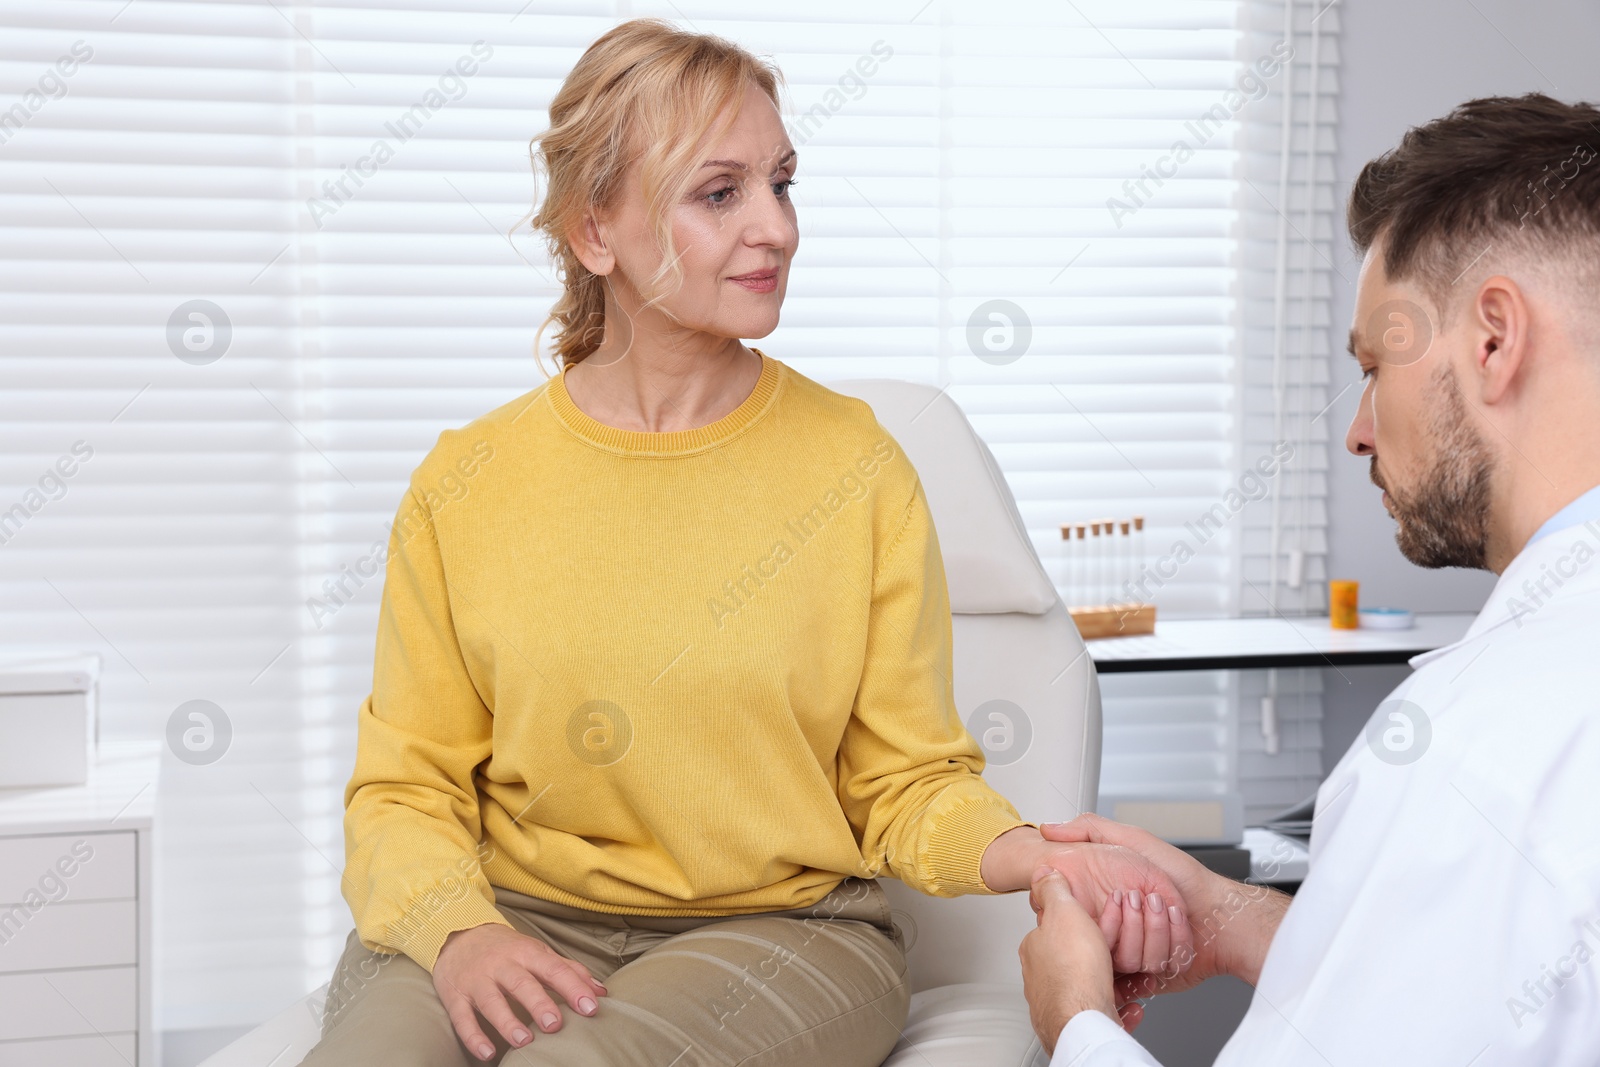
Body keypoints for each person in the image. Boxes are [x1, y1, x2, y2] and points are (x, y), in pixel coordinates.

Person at [301, 19, 1188, 1067]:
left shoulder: (855, 468)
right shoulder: (467, 481)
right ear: (596, 232)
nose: (775, 227)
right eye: (720, 193)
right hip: (504, 911)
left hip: (782, 935)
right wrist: (461, 932)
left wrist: (1034, 854)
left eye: (782, 182)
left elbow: (905, 781)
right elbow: (406, 788)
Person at [1018, 92, 1600, 1065]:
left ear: (1493, 339)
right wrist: (1226, 912)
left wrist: (1072, 1016)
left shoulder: (1480, 747)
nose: (1357, 428)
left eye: (1374, 365)